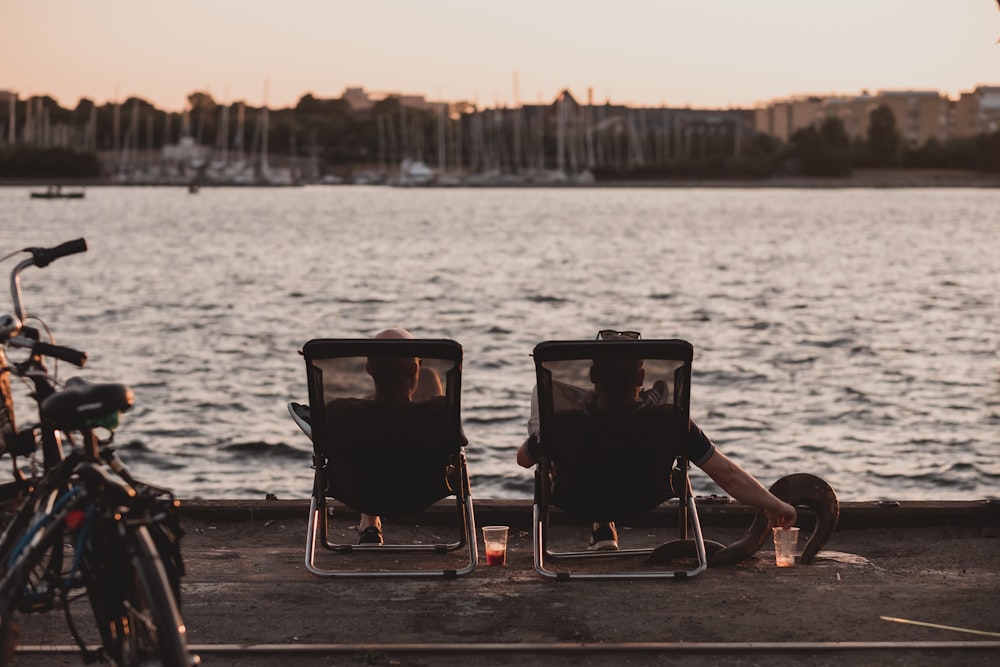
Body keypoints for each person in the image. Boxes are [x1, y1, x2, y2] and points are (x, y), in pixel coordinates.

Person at [516, 330, 796, 551]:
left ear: (592, 376)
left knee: (545, 402)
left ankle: (601, 526)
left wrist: (562, 423)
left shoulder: (563, 423)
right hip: (641, 500)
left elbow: (524, 459)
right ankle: (646, 400)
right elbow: (729, 476)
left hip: (578, 499)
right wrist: (777, 505)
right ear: (641, 375)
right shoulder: (671, 420)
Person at [351, 327, 445, 545]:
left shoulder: (344, 413)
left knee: (360, 452)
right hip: (423, 492)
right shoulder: (438, 412)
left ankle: (370, 523)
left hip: (361, 491)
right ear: (416, 369)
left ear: (369, 368)